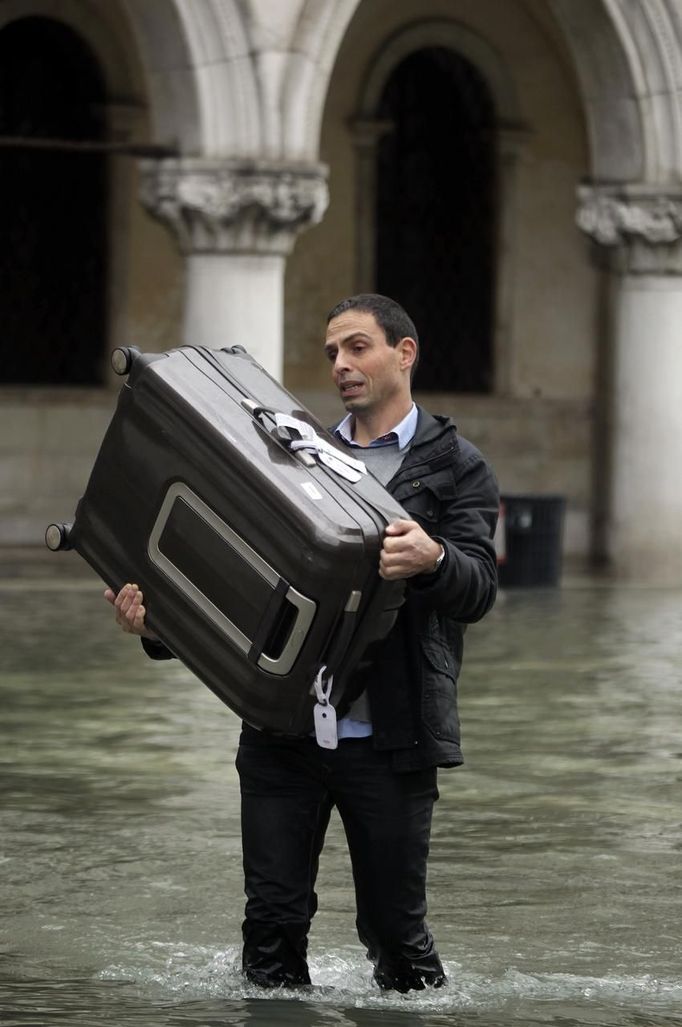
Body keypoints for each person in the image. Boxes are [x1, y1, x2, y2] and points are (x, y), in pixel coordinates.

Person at [105, 293, 499, 993]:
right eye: (331, 354)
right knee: (271, 927)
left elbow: (478, 589)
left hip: (393, 738)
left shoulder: (457, 464)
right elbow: (243, 590)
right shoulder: (293, 451)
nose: (341, 365)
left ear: (404, 353)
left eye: (357, 347)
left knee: (395, 935)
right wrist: (158, 628)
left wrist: (433, 559)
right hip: (281, 736)